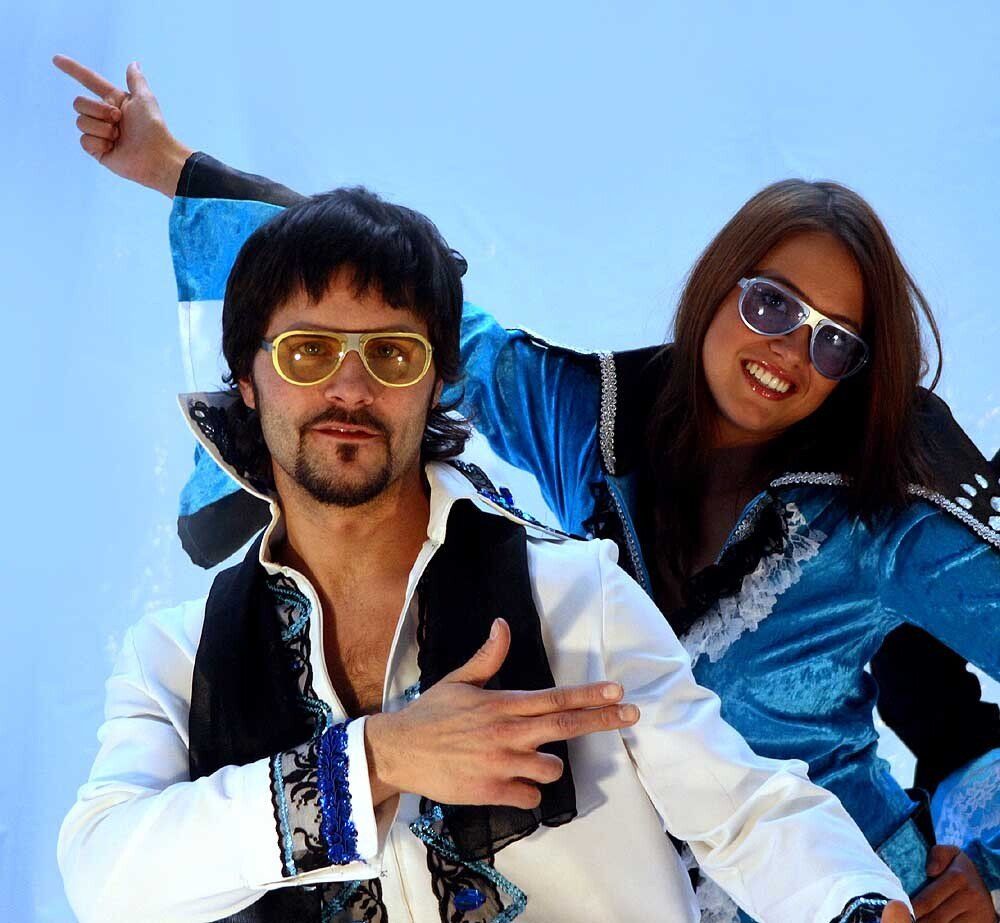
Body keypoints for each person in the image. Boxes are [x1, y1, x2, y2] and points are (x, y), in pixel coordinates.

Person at [54, 57, 1000, 922]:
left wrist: (982, 863)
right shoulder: (588, 423)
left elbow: (753, 809)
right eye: (770, 304)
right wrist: (179, 170)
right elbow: (397, 302)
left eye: (834, 342)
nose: (789, 350)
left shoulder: (875, 521)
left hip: (846, 881)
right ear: (720, 285)